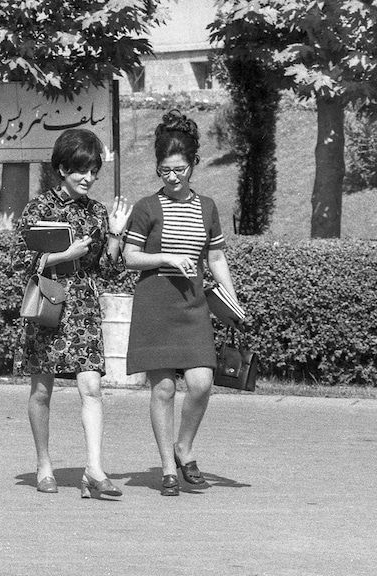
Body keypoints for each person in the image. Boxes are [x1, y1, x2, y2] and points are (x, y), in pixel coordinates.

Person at [123, 109, 241, 496]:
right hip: (155, 303)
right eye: (164, 170)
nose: (172, 177)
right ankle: (167, 467)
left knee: (202, 383)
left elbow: (217, 258)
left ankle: (183, 447)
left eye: (179, 169)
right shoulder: (145, 207)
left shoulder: (207, 207)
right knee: (163, 390)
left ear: (194, 164)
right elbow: (129, 257)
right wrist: (166, 259)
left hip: (193, 305)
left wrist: (233, 301)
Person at [12, 128, 132, 499]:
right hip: (49, 303)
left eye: (94, 171)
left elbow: (110, 273)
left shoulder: (96, 212)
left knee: (92, 386)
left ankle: (93, 470)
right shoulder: (37, 210)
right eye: (82, 170)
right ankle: (44, 464)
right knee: (42, 390)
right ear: (62, 168)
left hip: (83, 308)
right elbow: (18, 262)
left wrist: (114, 236)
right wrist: (66, 255)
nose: (88, 178)